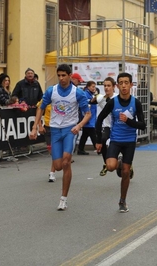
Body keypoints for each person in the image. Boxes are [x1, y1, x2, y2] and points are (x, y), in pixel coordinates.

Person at [29, 64, 91, 211]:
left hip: (70, 130)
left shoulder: (78, 93)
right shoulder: (52, 91)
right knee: (57, 166)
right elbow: (41, 108)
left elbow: (88, 113)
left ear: (70, 75)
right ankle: (63, 169)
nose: (62, 78)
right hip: (55, 130)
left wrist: (79, 126)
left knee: (66, 161)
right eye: (59, 75)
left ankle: (63, 198)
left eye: (64, 75)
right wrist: (35, 126)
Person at [95, 73, 146, 213]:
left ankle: (122, 200)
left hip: (129, 141)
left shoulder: (136, 103)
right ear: (117, 86)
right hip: (116, 139)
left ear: (131, 85)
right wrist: (99, 140)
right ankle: (119, 161)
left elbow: (142, 125)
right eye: (121, 83)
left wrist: (128, 121)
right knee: (110, 167)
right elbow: (99, 119)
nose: (124, 85)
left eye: (126, 83)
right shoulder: (112, 102)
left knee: (125, 172)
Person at [97, 77, 118, 176]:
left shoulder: (117, 98)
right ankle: (106, 163)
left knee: (119, 146)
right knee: (103, 139)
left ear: (114, 87)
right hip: (107, 125)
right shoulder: (102, 99)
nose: (106, 88)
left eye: (109, 86)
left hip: (117, 126)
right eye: (105, 86)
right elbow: (92, 100)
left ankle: (127, 163)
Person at [36, 97, 56, 182]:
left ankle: (52, 172)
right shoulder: (46, 99)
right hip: (48, 127)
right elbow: (38, 111)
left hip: (58, 128)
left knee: (56, 151)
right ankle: (58, 163)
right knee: (51, 151)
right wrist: (39, 126)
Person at [77, 81, 98, 155]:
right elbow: (86, 103)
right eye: (92, 86)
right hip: (88, 117)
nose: (94, 88)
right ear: (88, 87)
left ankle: (80, 149)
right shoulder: (85, 94)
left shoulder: (91, 94)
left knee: (85, 135)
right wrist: (94, 99)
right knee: (93, 134)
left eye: (94, 87)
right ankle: (98, 148)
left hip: (91, 118)